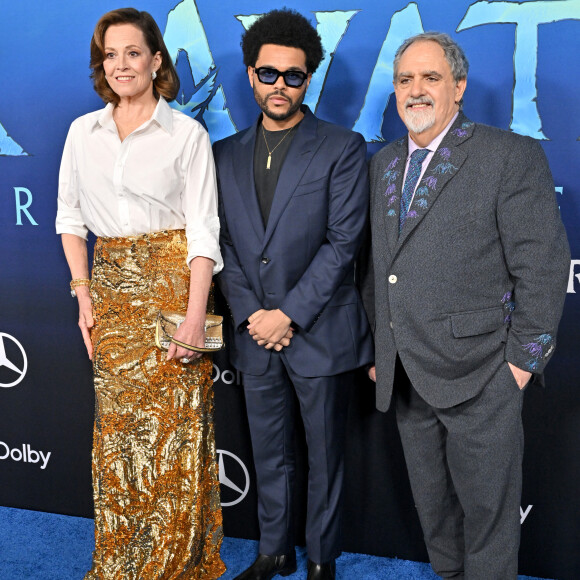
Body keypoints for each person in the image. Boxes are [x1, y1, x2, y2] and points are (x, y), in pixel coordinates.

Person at [361, 32, 570, 579]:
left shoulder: (509, 155)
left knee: (489, 524)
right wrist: (382, 347)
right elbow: (379, 267)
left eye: (431, 78)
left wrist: (521, 365)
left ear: (458, 86)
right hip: (406, 376)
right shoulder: (382, 164)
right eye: (405, 79)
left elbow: (544, 267)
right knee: (436, 518)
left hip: (483, 376)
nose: (416, 91)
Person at [55, 8, 225, 579]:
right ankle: (122, 562)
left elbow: (203, 232)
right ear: (101, 64)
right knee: (119, 439)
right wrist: (83, 295)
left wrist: (195, 317)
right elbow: (70, 218)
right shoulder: (83, 132)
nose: (122, 64)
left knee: (176, 432)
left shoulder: (187, 134)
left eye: (133, 52)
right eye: (110, 54)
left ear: (156, 61)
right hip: (109, 295)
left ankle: (174, 565)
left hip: (174, 291)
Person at [213, 9, 373, 580]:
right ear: (251, 75)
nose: (280, 85)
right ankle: (273, 550)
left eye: (294, 75)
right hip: (254, 331)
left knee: (325, 455)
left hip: (318, 330)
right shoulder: (223, 153)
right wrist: (254, 314)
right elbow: (223, 245)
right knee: (269, 450)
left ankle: (322, 558)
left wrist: (288, 314)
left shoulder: (342, 147)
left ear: (310, 79)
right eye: (269, 73)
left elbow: (344, 241)